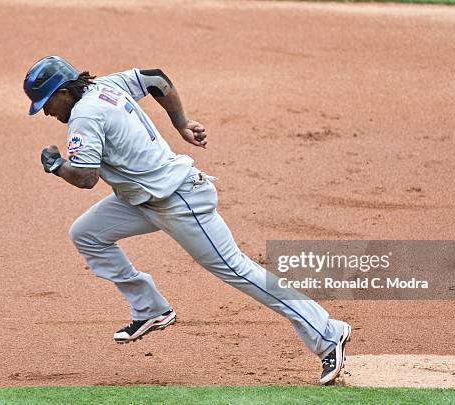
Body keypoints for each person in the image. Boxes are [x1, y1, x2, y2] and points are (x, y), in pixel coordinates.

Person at [23, 55, 352, 385]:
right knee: (87, 233)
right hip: (141, 199)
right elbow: (155, 78)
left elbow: (85, 178)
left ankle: (327, 333)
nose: (47, 112)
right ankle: (149, 308)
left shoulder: (84, 116)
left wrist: (54, 165)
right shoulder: (104, 85)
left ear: (64, 91)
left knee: (239, 270)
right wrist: (181, 122)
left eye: (47, 103)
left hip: (179, 200)